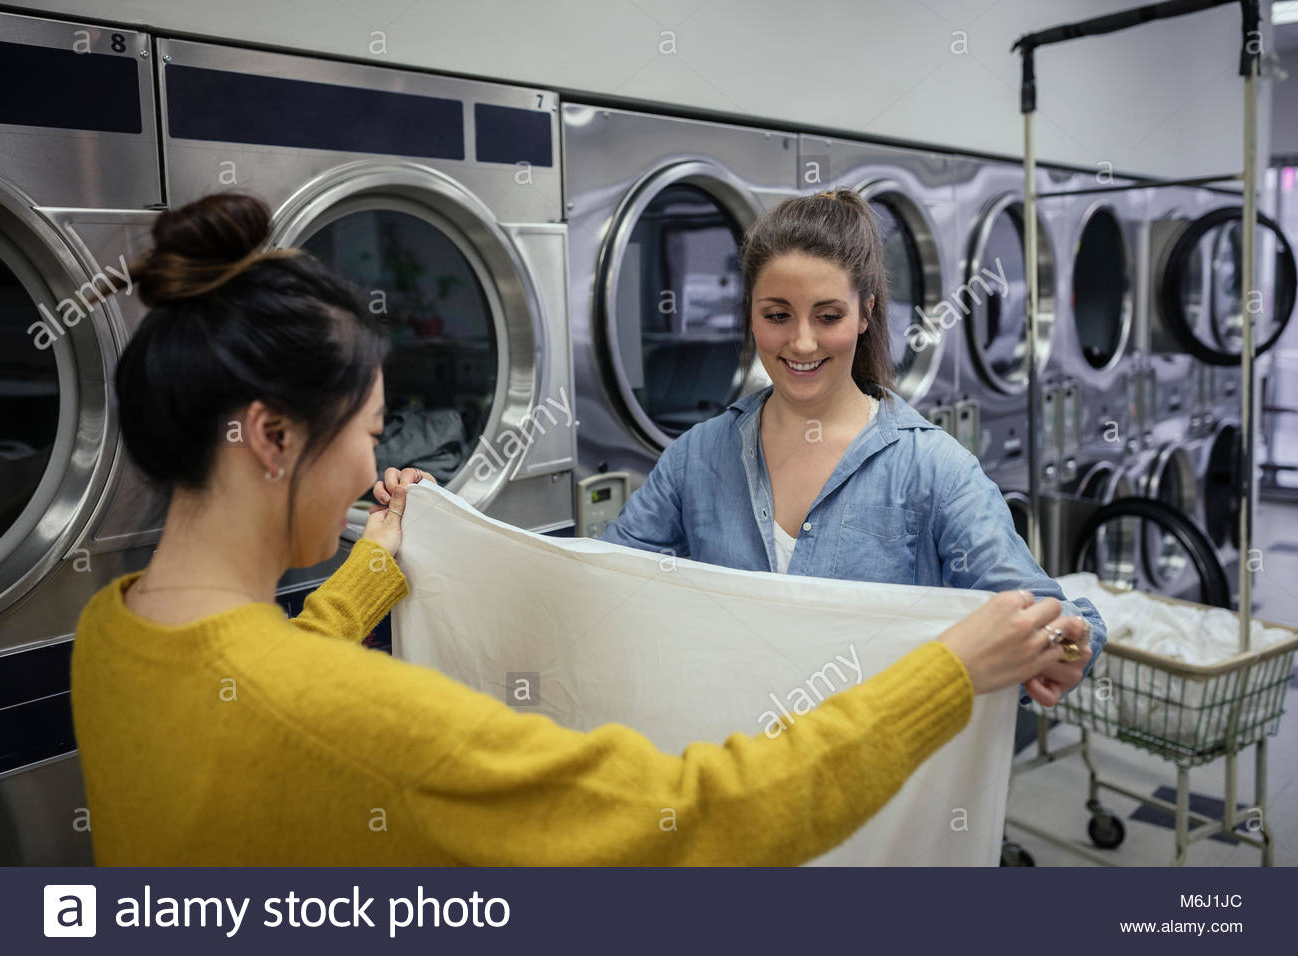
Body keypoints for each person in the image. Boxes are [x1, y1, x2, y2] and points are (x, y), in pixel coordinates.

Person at [70, 192, 1090, 865]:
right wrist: (459, 542)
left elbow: (267, 688)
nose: (374, 467)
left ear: (865, 314)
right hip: (782, 800)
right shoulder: (365, 712)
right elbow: (698, 794)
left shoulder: (110, 639)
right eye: (374, 430)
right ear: (273, 435)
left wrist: (378, 568)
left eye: (826, 315)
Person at [600, 189, 1106, 708]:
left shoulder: (930, 468)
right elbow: (603, 576)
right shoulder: (699, 457)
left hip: (882, 772)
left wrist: (1062, 646)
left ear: (864, 314)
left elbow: (1044, 612)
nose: (801, 343)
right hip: (738, 763)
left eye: (828, 316)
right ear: (750, 312)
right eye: (777, 315)